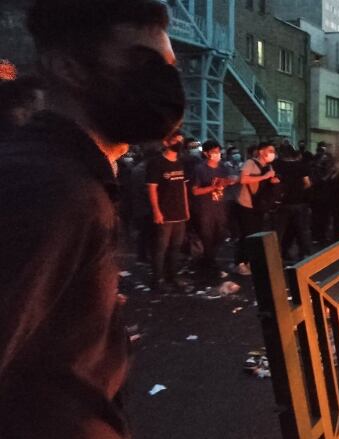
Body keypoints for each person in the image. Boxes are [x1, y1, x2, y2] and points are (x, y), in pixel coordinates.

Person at [0, 0, 184, 437]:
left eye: (169, 66)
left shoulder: (78, 176)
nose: (164, 80)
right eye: (141, 60)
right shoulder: (50, 188)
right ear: (67, 66)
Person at [147, 132, 191, 291]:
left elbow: (183, 187)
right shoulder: (156, 163)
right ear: (166, 142)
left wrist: (186, 209)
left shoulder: (180, 162)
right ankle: (157, 280)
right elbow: (152, 189)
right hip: (164, 214)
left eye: (181, 140)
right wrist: (156, 211)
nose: (179, 143)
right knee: (160, 248)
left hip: (179, 213)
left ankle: (172, 276)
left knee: (175, 247)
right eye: (175, 140)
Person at [192, 140, 237, 274]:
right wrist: (213, 187)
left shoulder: (222, 167)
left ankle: (208, 259)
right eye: (214, 152)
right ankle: (209, 262)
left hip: (220, 205)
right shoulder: (200, 169)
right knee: (207, 235)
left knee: (221, 234)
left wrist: (230, 181)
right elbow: (195, 191)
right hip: (205, 207)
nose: (217, 154)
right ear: (206, 153)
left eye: (218, 151)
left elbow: (233, 178)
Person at [234, 143, 279, 275]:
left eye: (274, 151)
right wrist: (265, 177)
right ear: (261, 152)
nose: (272, 153)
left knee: (255, 234)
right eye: (270, 150)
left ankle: (250, 262)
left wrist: (273, 181)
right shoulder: (250, 163)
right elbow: (243, 179)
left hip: (259, 205)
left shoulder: (269, 166)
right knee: (246, 234)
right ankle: (240, 263)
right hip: (246, 203)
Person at [274, 144, 313, 262]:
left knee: (281, 231)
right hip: (299, 202)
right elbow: (307, 183)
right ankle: (305, 254)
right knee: (301, 230)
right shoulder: (301, 166)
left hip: (282, 203)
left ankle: (279, 254)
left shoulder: (277, 165)